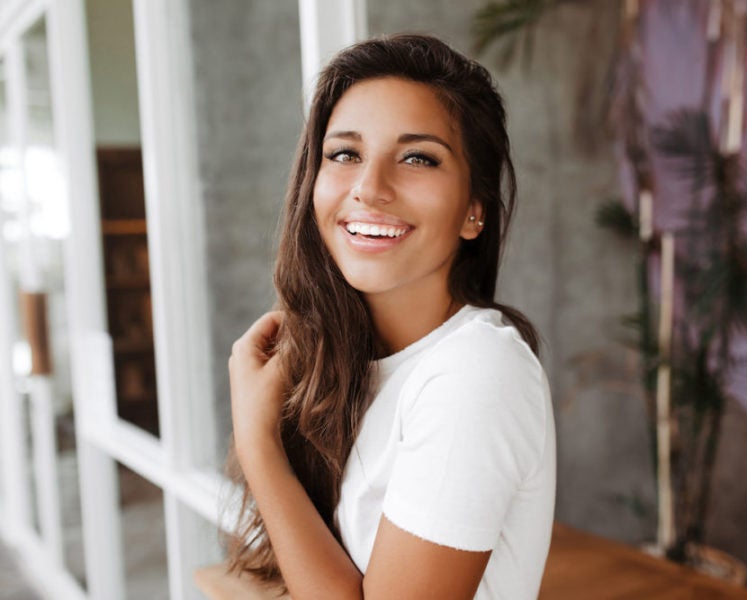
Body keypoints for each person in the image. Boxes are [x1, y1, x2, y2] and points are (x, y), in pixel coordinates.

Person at [227, 34, 556, 599]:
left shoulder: (475, 372)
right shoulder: (352, 361)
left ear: (474, 210)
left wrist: (257, 442)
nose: (369, 189)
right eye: (345, 154)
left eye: (417, 158)